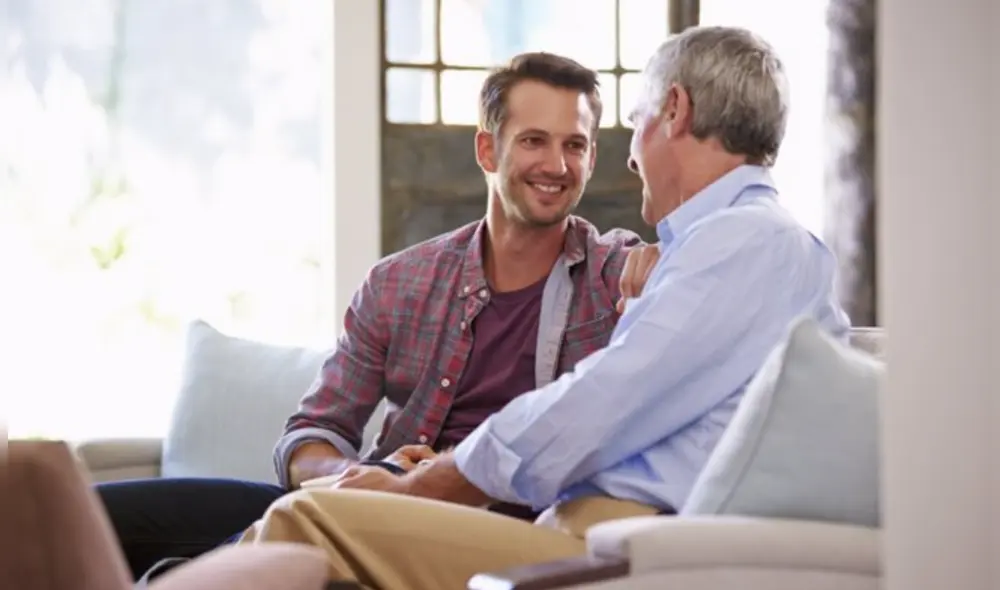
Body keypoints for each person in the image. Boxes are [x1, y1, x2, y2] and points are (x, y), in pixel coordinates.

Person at [237, 25, 852, 590]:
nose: (630, 155)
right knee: (286, 518)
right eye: (533, 140)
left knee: (304, 521)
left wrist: (420, 486)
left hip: (621, 542)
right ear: (488, 150)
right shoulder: (730, 245)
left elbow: (598, 404)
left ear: (674, 110)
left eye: (632, 121)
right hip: (595, 530)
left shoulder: (740, 242)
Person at [98, 51, 662, 582]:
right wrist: (347, 476)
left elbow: (691, 283)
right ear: (487, 151)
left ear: (592, 158)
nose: (557, 165)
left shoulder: (615, 275)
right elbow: (311, 436)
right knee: (95, 513)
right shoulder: (400, 282)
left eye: (575, 145)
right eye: (534, 141)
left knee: (271, 536)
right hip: (366, 503)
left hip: (483, 533)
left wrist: (668, 257)